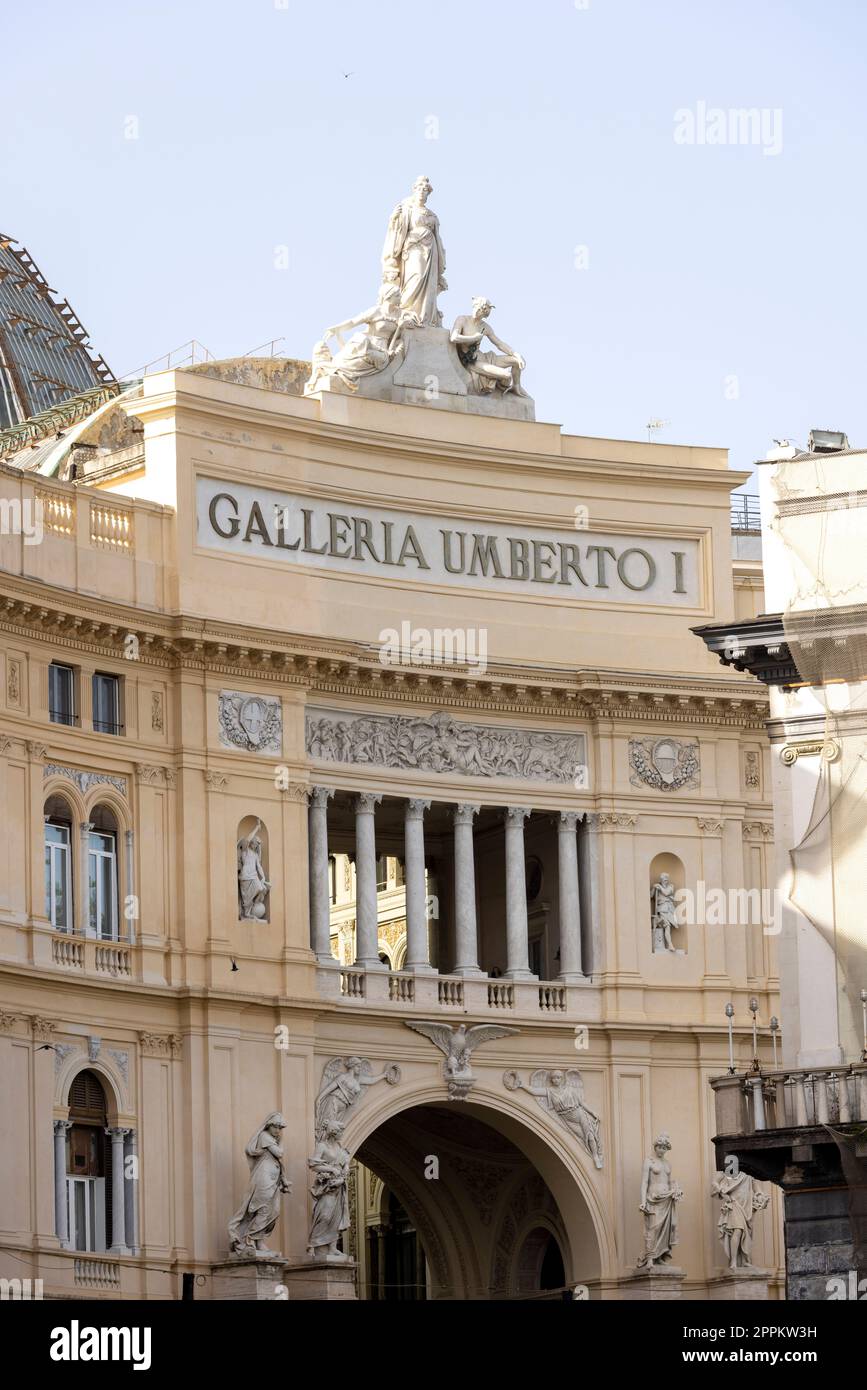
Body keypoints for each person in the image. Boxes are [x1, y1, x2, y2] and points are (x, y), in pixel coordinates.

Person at [381, 175, 447, 327]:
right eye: (420, 189)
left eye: (426, 190)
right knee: (415, 277)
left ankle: (425, 317)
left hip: (431, 250)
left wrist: (441, 260)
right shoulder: (407, 209)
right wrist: (394, 219)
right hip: (413, 247)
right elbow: (398, 229)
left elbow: (438, 238)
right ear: (414, 190)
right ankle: (406, 311)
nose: (423, 192)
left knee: (429, 284)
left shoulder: (432, 215)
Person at [227, 1113, 291, 1255]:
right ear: (268, 1125)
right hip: (264, 1177)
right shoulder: (264, 1137)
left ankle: (257, 1239)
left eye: (280, 1127)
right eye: (275, 1126)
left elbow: (279, 1161)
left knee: (273, 1210)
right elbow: (279, 1153)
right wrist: (282, 1140)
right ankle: (252, 1239)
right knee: (263, 1208)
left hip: (272, 1179)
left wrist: (283, 1179)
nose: (278, 1130)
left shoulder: (272, 1140)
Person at [450, 298, 529, 397]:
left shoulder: (485, 327)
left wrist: (517, 355)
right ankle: (500, 388)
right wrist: (473, 338)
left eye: (482, 310)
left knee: (516, 361)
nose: (478, 311)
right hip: (471, 361)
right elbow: (453, 337)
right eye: (477, 308)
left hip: (484, 357)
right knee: (507, 375)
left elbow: (499, 344)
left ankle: (516, 387)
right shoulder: (462, 319)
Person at [638, 1133, 683, 1267]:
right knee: (654, 1228)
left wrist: (676, 1191)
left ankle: (660, 1256)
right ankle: (650, 1258)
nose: (662, 1149)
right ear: (655, 1146)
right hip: (653, 1198)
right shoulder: (649, 1161)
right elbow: (644, 1182)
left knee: (670, 1227)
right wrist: (643, 1201)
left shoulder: (667, 1163)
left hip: (667, 1199)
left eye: (665, 1147)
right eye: (660, 1147)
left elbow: (670, 1182)